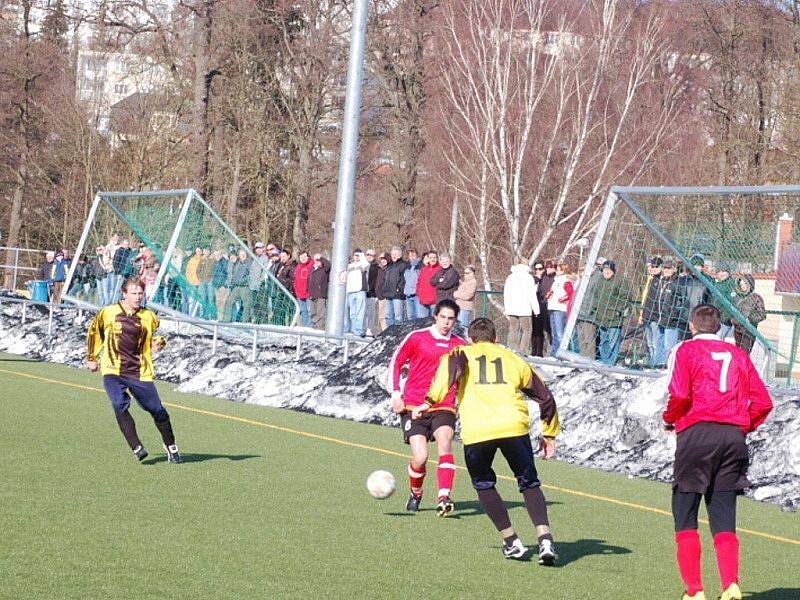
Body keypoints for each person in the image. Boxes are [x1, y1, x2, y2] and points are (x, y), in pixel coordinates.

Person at [420, 317, 559, 564]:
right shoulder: (513, 359)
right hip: (513, 426)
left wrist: (429, 402)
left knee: (484, 484)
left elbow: (448, 375)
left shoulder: (460, 352)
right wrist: (549, 434)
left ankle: (512, 541)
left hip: (478, 430)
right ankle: (545, 540)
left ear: (472, 339)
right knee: (529, 483)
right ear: (496, 339)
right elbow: (545, 397)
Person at [663, 304, 772, 600]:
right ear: (720, 328)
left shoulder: (685, 351)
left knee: (685, 511)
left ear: (692, 326)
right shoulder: (738, 355)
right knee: (723, 513)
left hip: (697, 435)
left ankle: (694, 590)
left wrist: (669, 418)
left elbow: (681, 393)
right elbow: (763, 402)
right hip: (732, 438)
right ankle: (731, 585)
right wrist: (742, 427)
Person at [86, 276, 182, 463]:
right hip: (112, 369)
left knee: (157, 410)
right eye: (134, 293)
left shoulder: (149, 317)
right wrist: (92, 357)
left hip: (139, 371)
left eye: (140, 293)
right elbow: (94, 332)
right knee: (118, 404)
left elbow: (156, 338)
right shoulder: (108, 312)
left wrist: (159, 343)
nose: (138, 297)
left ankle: (170, 445)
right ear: (124, 294)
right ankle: (136, 446)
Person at [388, 299, 466, 515]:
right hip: (413, 405)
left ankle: (443, 497)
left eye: (451, 319)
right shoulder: (417, 337)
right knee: (420, 457)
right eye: (443, 317)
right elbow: (396, 362)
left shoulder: (460, 345)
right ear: (435, 316)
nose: (446, 323)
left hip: (444, 405)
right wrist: (396, 394)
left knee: (445, 443)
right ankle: (416, 492)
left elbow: (466, 377)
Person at [591, 260, 631, 365]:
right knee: (603, 342)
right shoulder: (600, 281)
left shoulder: (620, 281)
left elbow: (625, 297)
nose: (606, 271)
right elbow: (595, 296)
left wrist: (619, 310)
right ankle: (605, 361)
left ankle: (611, 363)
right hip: (601, 317)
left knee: (613, 342)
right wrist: (595, 309)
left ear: (613, 270)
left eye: (609, 269)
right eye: (605, 269)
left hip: (614, 318)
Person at [503, 261, 540, 354]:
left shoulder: (510, 277)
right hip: (525, 308)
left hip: (511, 308)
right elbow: (532, 295)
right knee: (527, 330)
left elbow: (506, 293)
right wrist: (536, 309)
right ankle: (522, 351)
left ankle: (512, 349)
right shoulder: (528, 278)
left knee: (513, 329)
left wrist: (506, 308)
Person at [732, 275, 766, 353]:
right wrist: (733, 319)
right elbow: (732, 310)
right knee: (737, 352)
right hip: (737, 329)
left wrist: (750, 319)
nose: (743, 286)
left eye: (745, 284)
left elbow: (762, 315)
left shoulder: (756, 297)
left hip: (749, 331)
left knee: (744, 354)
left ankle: (744, 365)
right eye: (741, 284)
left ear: (750, 284)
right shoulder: (737, 298)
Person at [640, 256, 664, 367]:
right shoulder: (650, 279)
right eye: (652, 267)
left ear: (660, 267)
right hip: (646, 314)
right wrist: (642, 314)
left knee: (655, 343)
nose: (653, 269)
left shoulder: (662, 281)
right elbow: (645, 298)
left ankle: (656, 363)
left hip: (655, 317)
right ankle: (651, 362)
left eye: (656, 267)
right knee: (649, 343)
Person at [546, 263, 574, 356]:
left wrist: (561, 299)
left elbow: (570, 294)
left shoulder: (566, 281)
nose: (556, 271)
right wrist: (549, 294)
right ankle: (554, 352)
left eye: (558, 270)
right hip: (552, 308)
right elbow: (554, 291)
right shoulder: (556, 280)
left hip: (560, 309)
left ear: (563, 271)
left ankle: (562, 353)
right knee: (554, 333)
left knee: (559, 333)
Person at [343, 249, 369, 336]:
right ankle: (353, 330)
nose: (356, 257)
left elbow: (366, 263)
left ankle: (358, 330)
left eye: (358, 255)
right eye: (355, 255)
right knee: (352, 313)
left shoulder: (363, 264)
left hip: (360, 291)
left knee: (360, 313)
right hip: (350, 291)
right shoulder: (349, 266)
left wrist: (361, 255)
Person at [382, 246, 407, 326]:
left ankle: (397, 335)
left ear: (400, 255)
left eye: (396, 254)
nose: (394, 256)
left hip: (398, 295)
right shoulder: (389, 265)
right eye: (392, 254)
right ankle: (390, 333)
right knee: (388, 316)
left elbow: (404, 279)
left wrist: (399, 289)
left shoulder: (403, 264)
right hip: (388, 294)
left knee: (398, 317)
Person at [531, 262, 551, 357]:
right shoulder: (532, 279)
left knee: (541, 330)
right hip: (533, 306)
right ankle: (534, 350)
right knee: (533, 329)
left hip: (542, 306)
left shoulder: (546, 278)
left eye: (540, 268)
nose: (538, 271)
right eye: (536, 269)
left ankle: (539, 352)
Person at [307, 253, 330, 328]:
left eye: (319, 260)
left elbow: (328, 265)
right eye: (316, 260)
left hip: (321, 294)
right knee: (313, 312)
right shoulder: (312, 269)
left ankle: (321, 327)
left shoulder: (325, 269)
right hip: (312, 294)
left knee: (321, 313)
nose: (317, 261)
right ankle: (317, 325)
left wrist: (321, 258)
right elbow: (308, 280)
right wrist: (308, 291)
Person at [293, 251, 314, 327]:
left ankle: (310, 327)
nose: (303, 259)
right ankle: (304, 327)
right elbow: (295, 279)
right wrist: (296, 290)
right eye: (301, 257)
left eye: (305, 257)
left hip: (309, 293)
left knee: (310, 311)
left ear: (308, 257)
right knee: (303, 311)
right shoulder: (298, 266)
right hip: (300, 293)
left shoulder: (312, 265)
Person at [416, 251, 440, 317]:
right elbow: (419, 282)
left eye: (434, 257)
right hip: (423, 300)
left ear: (437, 258)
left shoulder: (440, 269)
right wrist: (419, 294)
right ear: (428, 259)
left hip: (435, 301)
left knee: (434, 322)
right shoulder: (423, 269)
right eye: (431, 257)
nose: (433, 259)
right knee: (423, 322)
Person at [403, 248, 422, 321]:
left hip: (417, 295)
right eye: (410, 255)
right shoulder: (407, 266)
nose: (412, 257)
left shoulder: (420, 265)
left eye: (413, 255)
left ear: (417, 255)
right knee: (410, 317)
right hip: (408, 295)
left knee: (418, 316)